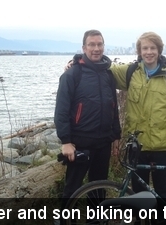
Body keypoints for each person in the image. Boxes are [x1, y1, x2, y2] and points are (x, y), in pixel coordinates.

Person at [65, 31, 166, 224]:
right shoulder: (130, 73)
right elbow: (100, 65)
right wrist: (76, 63)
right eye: (145, 48)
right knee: (139, 198)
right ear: (139, 51)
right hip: (136, 147)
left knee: (162, 195)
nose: (149, 52)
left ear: (159, 50)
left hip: (161, 147)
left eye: (152, 48)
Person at [54, 29, 121, 224]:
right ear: (84, 48)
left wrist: (115, 135)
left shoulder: (108, 75)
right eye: (91, 45)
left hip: (103, 141)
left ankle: (96, 221)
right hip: (79, 142)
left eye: (99, 44)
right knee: (72, 188)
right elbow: (61, 110)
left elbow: (113, 107)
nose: (96, 48)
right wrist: (65, 141)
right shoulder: (72, 74)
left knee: (98, 187)